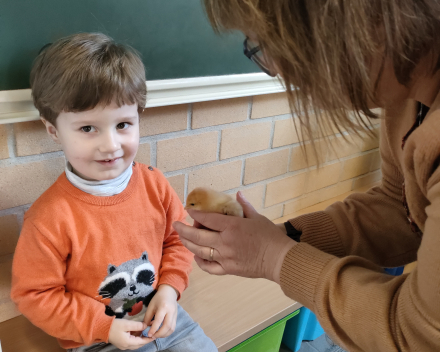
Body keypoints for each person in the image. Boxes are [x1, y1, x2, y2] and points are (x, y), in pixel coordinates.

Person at [173, 1, 440, 351]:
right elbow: (400, 206)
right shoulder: (404, 100)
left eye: (268, 42)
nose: (276, 69)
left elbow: (419, 333)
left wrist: (274, 257)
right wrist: (279, 237)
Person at [11, 33, 217, 352]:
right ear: (53, 130)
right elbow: (34, 296)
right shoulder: (48, 218)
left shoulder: (154, 183)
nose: (110, 145)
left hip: (164, 318)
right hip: (96, 338)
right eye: (87, 128)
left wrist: (169, 290)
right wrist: (104, 326)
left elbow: (178, 239)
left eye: (122, 125)